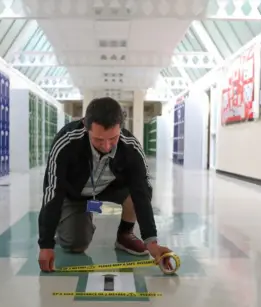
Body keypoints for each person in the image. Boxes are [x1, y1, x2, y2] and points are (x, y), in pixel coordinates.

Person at [37, 97, 172, 272]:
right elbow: (52, 191)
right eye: (99, 140)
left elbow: (142, 192)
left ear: (121, 127)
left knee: (139, 192)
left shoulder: (130, 147)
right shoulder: (66, 142)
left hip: (110, 189)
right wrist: (46, 244)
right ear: (86, 125)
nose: (107, 146)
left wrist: (152, 243)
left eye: (113, 138)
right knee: (76, 245)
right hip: (75, 194)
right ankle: (72, 220)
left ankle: (125, 234)